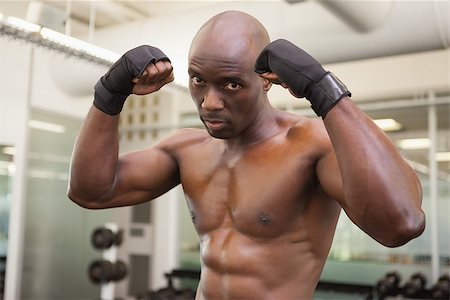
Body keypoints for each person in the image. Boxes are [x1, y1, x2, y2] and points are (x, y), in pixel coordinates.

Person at [68, 10, 425, 299]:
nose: (209, 101)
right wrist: (109, 95)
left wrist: (324, 90)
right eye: (197, 80)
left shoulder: (310, 145)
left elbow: (400, 224)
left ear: (266, 80)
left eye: (231, 84)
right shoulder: (187, 149)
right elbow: (91, 191)